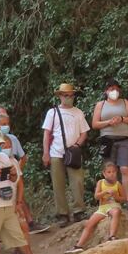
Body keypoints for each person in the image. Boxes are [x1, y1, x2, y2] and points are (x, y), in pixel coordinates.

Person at [0, 106, 48, 235]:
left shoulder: (12, 139)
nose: (6, 126)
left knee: (18, 198)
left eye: (7, 124)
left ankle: (27, 225)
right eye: (3, 124)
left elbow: (23, 157)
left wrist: (17, 172)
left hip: (11, 172)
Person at [42, 83, 91, 223]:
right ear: (60, 96)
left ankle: (78, 211)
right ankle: (62, 213)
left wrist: (76, 145)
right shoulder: (52, 112)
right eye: (66, 95)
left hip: (73, 152)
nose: (69, 98)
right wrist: (46, 153)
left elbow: (84, 133)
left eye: (71, 95)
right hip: (56, 152)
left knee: (77, 182)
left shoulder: (78, 112)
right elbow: (47, 134)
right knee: (58, 183)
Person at [92, 79, 128, 202]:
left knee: (124, 168)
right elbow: (94, 124)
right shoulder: (100, 105)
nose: (115, 91)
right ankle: (110, 199)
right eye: (112, 89)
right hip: (107, 140)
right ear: (106, 91)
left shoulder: (124, 102)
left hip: (124, 139)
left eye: (117, 89)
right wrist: (109, 122)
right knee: (109, 170)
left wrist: (122, 118)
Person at [67, 161, 124, 254]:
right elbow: (96, 196)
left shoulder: (118, 184)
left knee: (116, 212)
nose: (112, 174)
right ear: (104, 173)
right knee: (89, 223)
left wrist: (116, 196)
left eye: (113, 172)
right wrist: (105, 192)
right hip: (102, 207)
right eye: (109, 172)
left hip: (114, 205)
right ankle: (78, 246)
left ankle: (112, 236)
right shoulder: (100, 182)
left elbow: (123, 198)